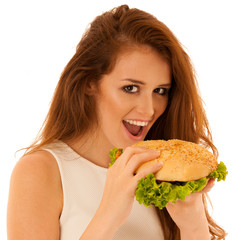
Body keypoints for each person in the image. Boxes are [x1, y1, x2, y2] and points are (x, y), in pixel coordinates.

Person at [7, 4, 226, 240]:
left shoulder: (165, 170)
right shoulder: (41, 171)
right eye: (130, 88)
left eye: (160, 90)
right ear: (90, 83)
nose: (149, 109)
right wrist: (109, 215)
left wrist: (194, 226)